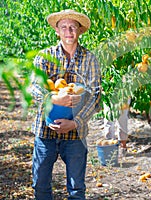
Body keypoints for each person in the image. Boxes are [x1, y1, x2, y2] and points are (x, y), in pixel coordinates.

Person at [30, 9, 101, 199]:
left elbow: (95, 96)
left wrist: (75, 122)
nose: (68, 31)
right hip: (45, 130)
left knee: (77, 188)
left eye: (72, 27)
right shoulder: (44, 57)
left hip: (76, 134)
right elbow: (35, 89)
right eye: (64, 27)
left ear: (79, 31)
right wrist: (52, 99)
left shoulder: (90, 59)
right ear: (57, 30)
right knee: (40, 184)